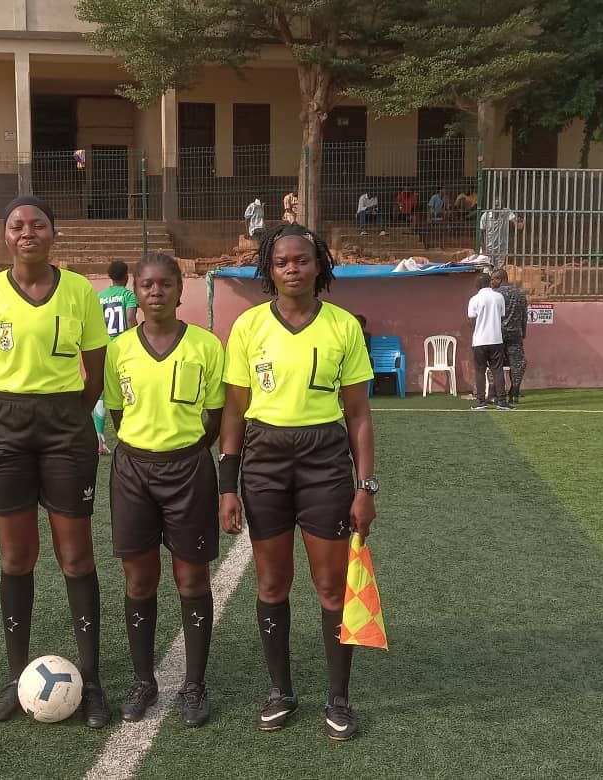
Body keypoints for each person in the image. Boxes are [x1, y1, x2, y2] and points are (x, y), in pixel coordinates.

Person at [218, 223, 377, 741]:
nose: (292, 268)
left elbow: (357, 414)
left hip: (324, 461)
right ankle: (281, 691)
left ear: (319, 265)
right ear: (268, 268)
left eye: (302, 260)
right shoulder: (246, 327)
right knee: (272, 582)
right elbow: (235, 414)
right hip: (264, 460)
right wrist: (227, 484)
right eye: (282, 261)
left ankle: (338, 698)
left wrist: (365, 486)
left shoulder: (343, 327)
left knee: (331, 583)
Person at [0, 195, 112, 728]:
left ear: (54, 234)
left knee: (75, 556)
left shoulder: (79, 292)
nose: (27, 232)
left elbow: (93, 372)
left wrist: (64, 417)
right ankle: (14, 676)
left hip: (65, 426)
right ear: (5, 235)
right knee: (15, 557)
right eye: (17, 225)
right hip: (5, 426)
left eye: (38, 224)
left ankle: (92, 680)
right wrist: (14, 411)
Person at [104, 252, 224, 728]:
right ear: (135, 291)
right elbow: (118, 415)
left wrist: (187, 448)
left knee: (192, 580)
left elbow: (215, 416)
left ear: (180, 290)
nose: (155, 292)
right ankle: (143, 680)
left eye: (164, 285)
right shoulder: (118, 351)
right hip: (133, 470)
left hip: (189, 470)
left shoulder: (206, 347)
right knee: (139, 580)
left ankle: (194, 684)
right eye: (146, 285)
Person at [94, 260, 139, 454]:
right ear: (127, 276)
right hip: (124, 348)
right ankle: (132, 435)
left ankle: (99, 440)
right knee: (131, 387)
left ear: (110, 277)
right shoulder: (129, 295)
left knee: (103, 393)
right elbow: (130, 320)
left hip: (105, 348)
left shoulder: (100, 296)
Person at [468, 273, 510, 410]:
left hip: (479, 340)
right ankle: (502, 401)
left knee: (480, 371)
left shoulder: (474, 299)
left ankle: (481, 401)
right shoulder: (499, 297)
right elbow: (502, 316)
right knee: (497, 370)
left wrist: (477, 332)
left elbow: (471, 319)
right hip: (496, 339)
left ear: (478, 285)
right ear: (489, 283)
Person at [490, 268, 528, 404]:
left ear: (500, 279)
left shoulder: (495, 294)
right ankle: (515, 391)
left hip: (498, 334)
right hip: (515, 334)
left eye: (493, 279)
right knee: (517, 363)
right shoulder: (520, 294)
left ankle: (494, 394)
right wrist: (523, 332)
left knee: (495, 363)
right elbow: (524, 316)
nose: (492, 282)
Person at [479, 198, 525, 268]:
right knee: (487, 269)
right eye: (496, 205)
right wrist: (484, 249)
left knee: (499, 269)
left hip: (501, 249)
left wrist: (519, 223)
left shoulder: (506, 212)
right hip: (488, 248)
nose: (498, 207)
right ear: (492, 206)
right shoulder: (485, 216)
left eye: (500, 206)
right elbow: (481, 234)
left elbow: (516, 223)